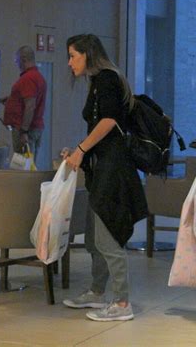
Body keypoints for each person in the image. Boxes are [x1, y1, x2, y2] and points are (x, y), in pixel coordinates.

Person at [61, 34, 148, 322]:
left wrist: (82, 149)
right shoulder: (99, 81)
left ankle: (122, 303)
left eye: (73, 55)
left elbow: (109, 121)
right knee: (95, 237)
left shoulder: (108, 79)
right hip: (102, 167)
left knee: (107, 236)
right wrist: (78, 151)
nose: (69, 61)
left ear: (87, 54)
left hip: (113, 170)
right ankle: (98, 292)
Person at [0, 45, 47, 162]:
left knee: (24, 167)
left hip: (27, 131)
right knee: (29, 163)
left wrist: (24, 131)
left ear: (24, 59)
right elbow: (28, 101)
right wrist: (11, 101)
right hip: (34, 128)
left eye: (17, 60)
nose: (17, 64)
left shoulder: (28, 79)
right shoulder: (38, 77)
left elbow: (30, 106)